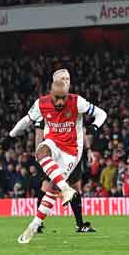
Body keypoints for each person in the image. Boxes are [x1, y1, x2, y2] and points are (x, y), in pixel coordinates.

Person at [9, 69, 107, 244]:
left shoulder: (77, 102)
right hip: (54, 144)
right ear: (51, 93)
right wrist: (11, 134)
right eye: (57, 98)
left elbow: (102, 114)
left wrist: (95, 128)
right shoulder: (41, 103)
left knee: (53, 188)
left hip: (71, 152)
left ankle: (34, 225)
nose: (61, 102)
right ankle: (66, 190)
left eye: (63, 98)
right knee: (41, 151)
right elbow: (26, 121)